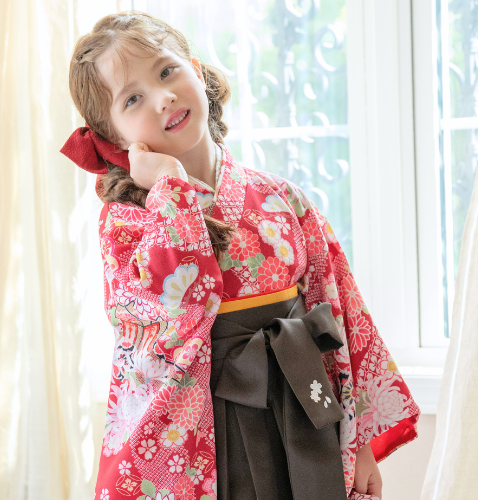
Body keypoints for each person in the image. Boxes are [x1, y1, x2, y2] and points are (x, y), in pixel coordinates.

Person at [61, 11, 420, 500]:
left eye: (167, 71)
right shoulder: (127, 224)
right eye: (133, 99)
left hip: (305, 405)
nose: (163, 97)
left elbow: (340, 311)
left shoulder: (281, 197)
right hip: (207, 432)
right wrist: (169, 185)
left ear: (195, 70)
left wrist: (357, 444)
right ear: (114, 139)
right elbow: (179, 312)